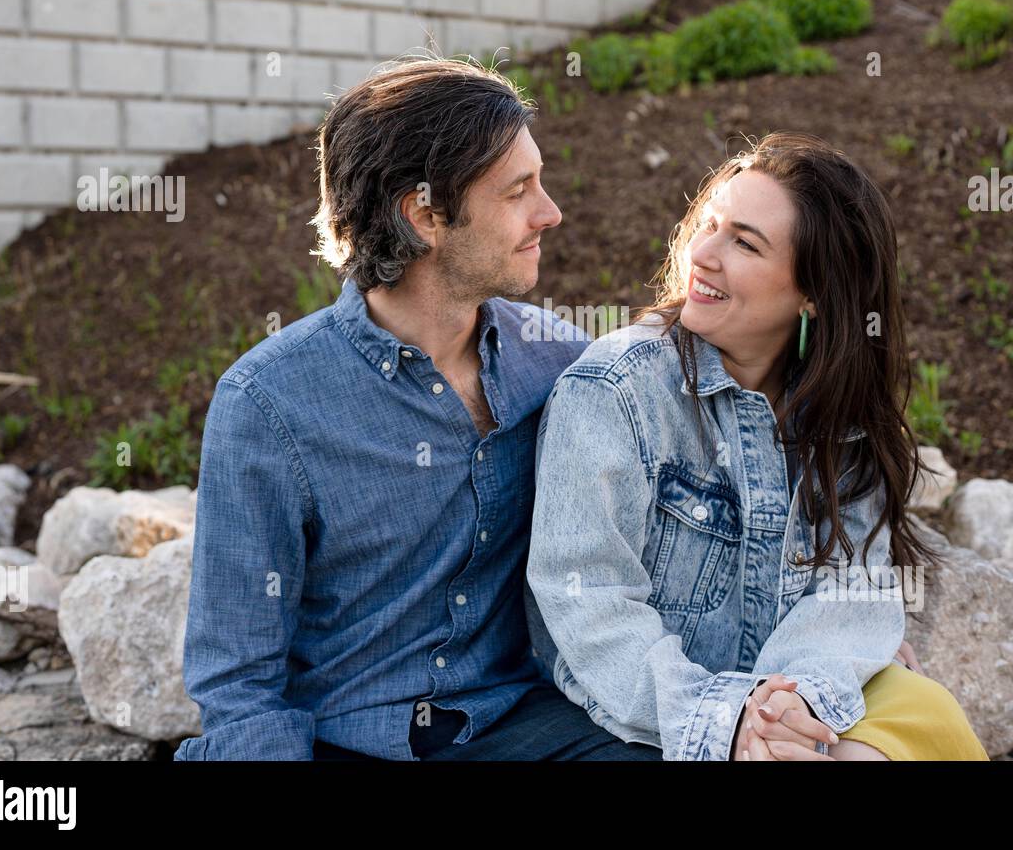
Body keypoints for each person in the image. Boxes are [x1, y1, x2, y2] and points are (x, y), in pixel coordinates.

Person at [173, 56, 658, 761]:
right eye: (519, 191)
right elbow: (240, 682)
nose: (549, 212)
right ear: (425, 215)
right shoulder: (268, 405)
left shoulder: (561, 366)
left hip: (524, 723)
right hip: (356, 738)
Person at [524, 132, 989, 761]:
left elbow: (857, 587)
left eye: (744, 243)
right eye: (708, 224)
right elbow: (588, 608)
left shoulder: (839, 412)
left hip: (781, 707)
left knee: (917, 722)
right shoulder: (616, 391)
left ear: (814, 294)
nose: (703, 254)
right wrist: (731, 719)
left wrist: (795, 700)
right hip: (651, 712)